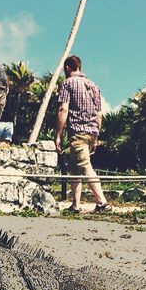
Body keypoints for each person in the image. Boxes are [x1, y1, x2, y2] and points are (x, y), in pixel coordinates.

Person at [53, 55, 109, 213]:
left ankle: (102, 202)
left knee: (85, 166)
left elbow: (63, 109)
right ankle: (75, 205)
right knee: (75, 168)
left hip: (78, 131)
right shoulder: (93, 85)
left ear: (67, 68)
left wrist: (58, 134)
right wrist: (96, 138)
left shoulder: (67, 83)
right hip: (92, 132)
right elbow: (99, 114)